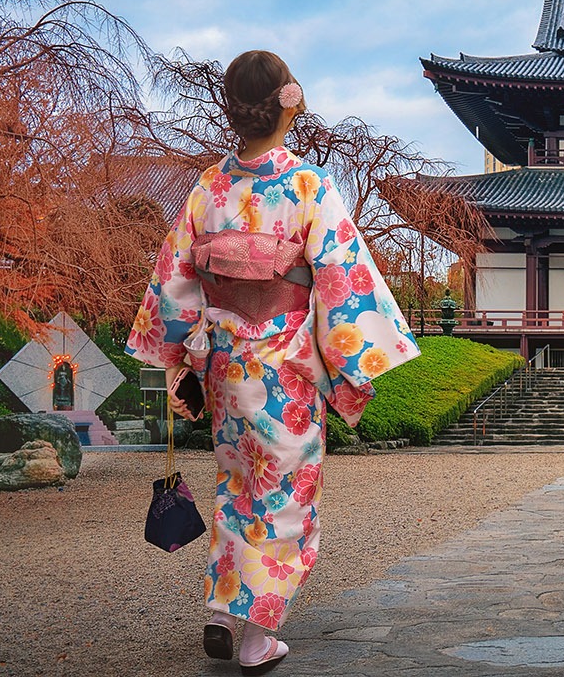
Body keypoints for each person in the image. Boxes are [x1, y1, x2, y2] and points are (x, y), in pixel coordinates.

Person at [128, 50, 420, 673]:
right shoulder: (307, 187)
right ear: (289, 103)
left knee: (236, 487)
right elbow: (342, 284)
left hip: (227, 368)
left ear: (232, 109)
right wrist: (351, 365)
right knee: (282, 497)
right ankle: (257, 637)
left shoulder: (208, 189)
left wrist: (179, 359)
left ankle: (218, 611)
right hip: (284, 372)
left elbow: (176, 287)